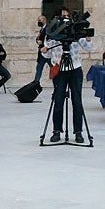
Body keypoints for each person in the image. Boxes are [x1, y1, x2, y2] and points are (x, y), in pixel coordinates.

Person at [43, 11, 94, 143]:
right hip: (59, 70)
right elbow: (47, 54)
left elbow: (88, 48)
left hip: (75, 68)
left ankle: (78, 132)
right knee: (58, 100)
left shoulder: (75, 31)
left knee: (77, 101)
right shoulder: (53, 33)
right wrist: (44, 50)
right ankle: (56, 131)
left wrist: (88, 37)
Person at [33, 14, 49, 83]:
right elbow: (38, 38)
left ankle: (57, 85)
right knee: (39, 68)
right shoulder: (42, 29)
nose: (39, 22)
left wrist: (42, 43)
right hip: (41, 53)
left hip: (47, 52)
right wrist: (37, 41)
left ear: (44, 20)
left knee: (53, 68)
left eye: (40, 20)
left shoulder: (47, 28)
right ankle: (36, 83)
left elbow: (48, 40)